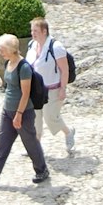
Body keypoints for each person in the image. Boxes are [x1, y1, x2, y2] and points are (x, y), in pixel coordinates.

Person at [0, 34, 50, 188]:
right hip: (7, 110)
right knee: (2, 145)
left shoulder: (24, 68)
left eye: (2, 50)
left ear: (10, 50)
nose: (0, 53)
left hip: (22, 112)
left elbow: (25, 93)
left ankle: (42, 170)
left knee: (30, 143)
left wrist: (19, 115)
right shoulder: (9, 63)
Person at [29, 17, 75, 154]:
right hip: (36, 90)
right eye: (32, 30)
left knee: (51, 117)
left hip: (53, 90)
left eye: (36, 30)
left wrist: (63, 89)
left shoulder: (56, 47)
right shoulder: (32, 45)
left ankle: (68, 132)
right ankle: (35, 147)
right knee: (35, 118)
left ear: (44, 31)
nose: (33, 33)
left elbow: (64, 69)